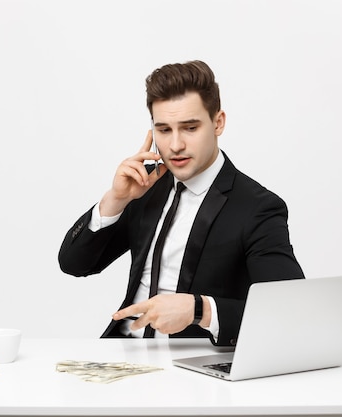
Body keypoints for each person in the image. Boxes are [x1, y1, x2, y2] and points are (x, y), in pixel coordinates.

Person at [58, 60, 304, 346]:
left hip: (191, 369)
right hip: (120, 354)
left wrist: (200, 310)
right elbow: (74, 264)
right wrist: (116, 199)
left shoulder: (256, 207)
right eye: (164, 130)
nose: (175, 145)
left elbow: (290, 314)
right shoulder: (145, 187)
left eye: (189, 128)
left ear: (218, 122)